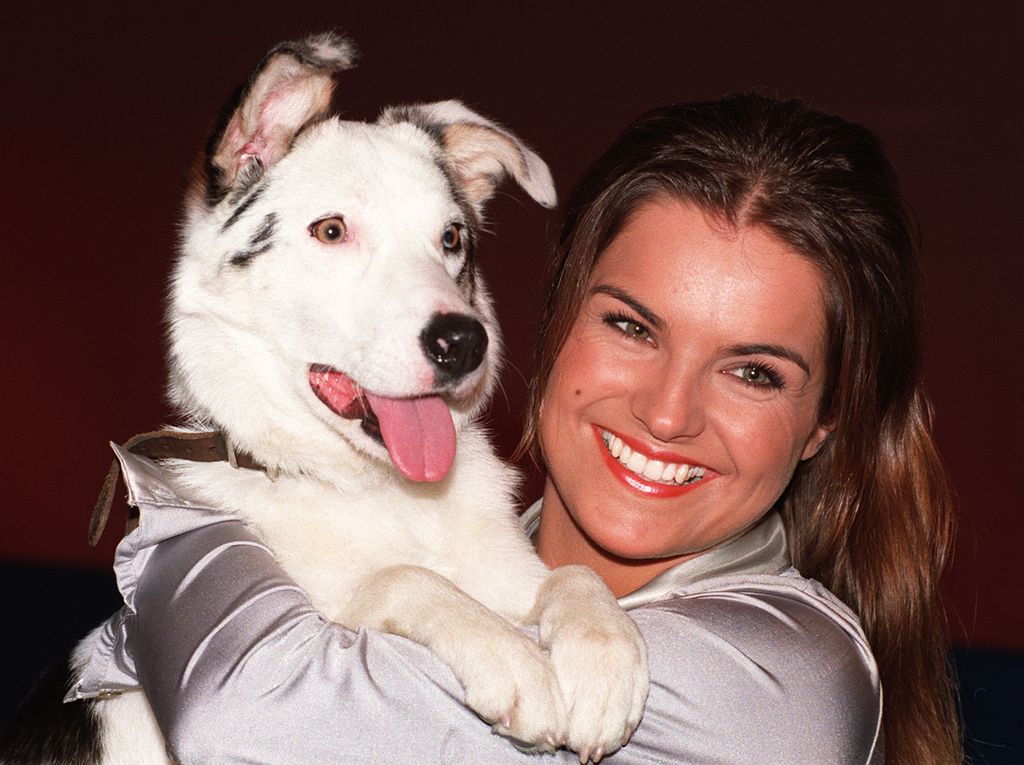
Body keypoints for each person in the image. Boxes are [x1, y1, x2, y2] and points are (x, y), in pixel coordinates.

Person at [71, 93, 960, 764]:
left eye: (754, 372)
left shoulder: (784, 684)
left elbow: (248, 713)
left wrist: (179, 499)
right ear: (557, 313)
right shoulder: (472, 544)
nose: (667, 412)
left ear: (824, 423)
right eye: (631, 326)